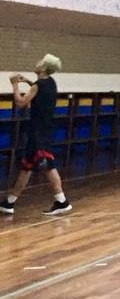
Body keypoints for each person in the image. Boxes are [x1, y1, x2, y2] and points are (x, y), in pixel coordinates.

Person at [2, 55, 72, 217]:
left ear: (43, 68)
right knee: (26, 167)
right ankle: (9, 202)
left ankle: (62, 202)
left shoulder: (38, 85)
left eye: (40, 62)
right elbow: (38, 87)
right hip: (42, 130)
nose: (37, 62)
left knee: (48, 166)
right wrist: (27, 81)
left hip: (38, 132)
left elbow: (21, 103)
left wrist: (14, 85)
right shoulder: (50, 82)